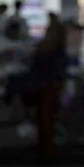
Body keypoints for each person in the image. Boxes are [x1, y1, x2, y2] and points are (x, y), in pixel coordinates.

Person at [29, 21, 68, 159]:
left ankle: (43, 148)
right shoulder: (58, 50)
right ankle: (48, 150)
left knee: (42, 119)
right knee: (49, 119)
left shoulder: (42, 48)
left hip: (40, 86)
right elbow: (59, 69)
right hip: (50, 86)